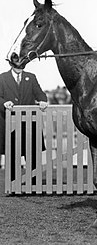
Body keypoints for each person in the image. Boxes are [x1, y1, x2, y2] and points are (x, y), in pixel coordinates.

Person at [0, 53, 48, 181]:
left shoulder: (31, 77)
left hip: (29, 124)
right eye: (17, 65)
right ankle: (13, 183)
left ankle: (33, 183)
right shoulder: (2, 78)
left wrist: (42, 101)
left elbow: (40, 94)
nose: (20, 68)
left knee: (32, 153)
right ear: (11, 64)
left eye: (22, 65)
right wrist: (4, 103)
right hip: (9, 123)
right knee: (12, 154)